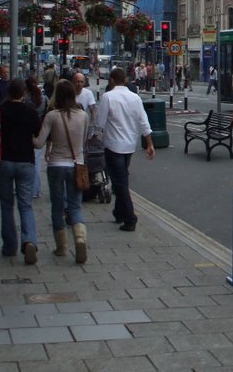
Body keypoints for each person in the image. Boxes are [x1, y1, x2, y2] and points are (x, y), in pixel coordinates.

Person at [92, 67, 156, 231]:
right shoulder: (135, 97)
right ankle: (119, 212)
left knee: (120, 183)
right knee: (121, 179)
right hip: (129, 146)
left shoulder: (107, 97)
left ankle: (130, 218)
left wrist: (95, 138)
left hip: (113, 145)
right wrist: (149, 143)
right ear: (125, 80)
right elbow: (144, 121)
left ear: (112, 80)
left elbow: (100, 123)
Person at [34, 80, 90, 263]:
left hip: (56, 165)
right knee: (75, 205)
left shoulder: (52, 116)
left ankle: (61, 247)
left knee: (57, 207)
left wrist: (30, 137)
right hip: (76, 165)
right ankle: (80, 238)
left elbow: (39, 143)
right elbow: (83, 142)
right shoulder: (83, 116)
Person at [0, 78, 42, 263]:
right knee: (26, 205)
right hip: (26, 161)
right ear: (23, 93)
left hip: (4, 161)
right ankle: (29, 240)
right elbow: (38, 134)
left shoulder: (0, 111)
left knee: (7, 205)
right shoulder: (30, 112)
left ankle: (9, 246)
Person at [24, 75, 48, 198]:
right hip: (40, 131)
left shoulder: (25, 99)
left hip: (27, 132)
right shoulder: (43, 99)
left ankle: (29, 188)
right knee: (37, 162)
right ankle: (36, 189)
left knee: (28, 162)